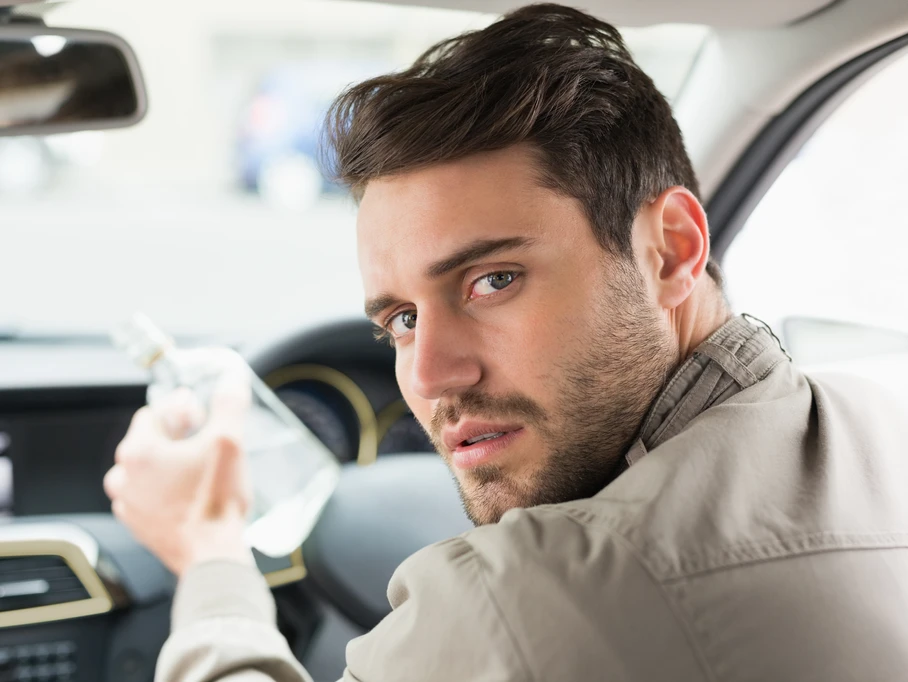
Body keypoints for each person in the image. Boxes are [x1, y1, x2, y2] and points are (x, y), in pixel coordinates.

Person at [103, 4, 908, 681]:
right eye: (401, 320)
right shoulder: (885, 430)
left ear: (670, 249)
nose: (430, 375)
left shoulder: (516, 608)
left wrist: (209, 554)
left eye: (493, 281)